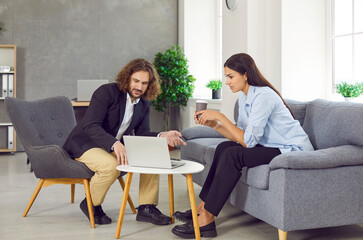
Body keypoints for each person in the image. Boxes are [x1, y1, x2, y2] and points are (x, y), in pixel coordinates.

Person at [171, 53, 314, 238]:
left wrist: (221, 117)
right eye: (226, 77)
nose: (227, 82)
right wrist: (213, 125)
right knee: (224, 148)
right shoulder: (245, 98)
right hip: (272, 145)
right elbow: (239, 136)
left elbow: (248, 141)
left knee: (233, 155)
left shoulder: (263, 96)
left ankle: (206, 219)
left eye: (230, 77)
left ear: (245, 74)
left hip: (292, 150)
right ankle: (203, 207)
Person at [63, 58, 186, 226]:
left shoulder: (144, 103)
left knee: (151, 156)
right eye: (136, 81)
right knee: (111, 166)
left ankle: (146, 208)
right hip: (85, 144)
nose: (139, 87)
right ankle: (91, 202)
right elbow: (90, 125)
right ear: (127, 78)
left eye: (144, 83)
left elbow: (142, 133)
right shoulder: (106, 92)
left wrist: (162, 135)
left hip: (112, 146)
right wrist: (115, 143)